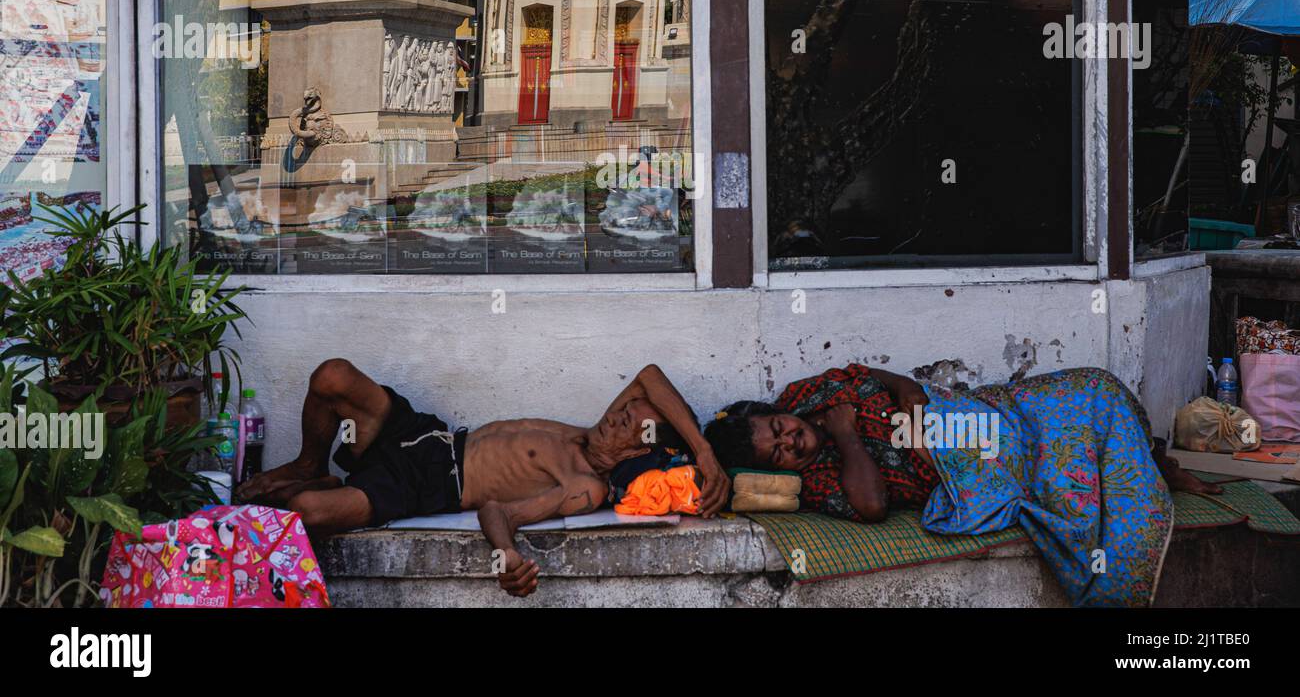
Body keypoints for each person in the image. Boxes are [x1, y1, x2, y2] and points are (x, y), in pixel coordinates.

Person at [704, 362, 1220, 607]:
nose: (789, 441)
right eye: (777, 452)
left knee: (1092, 387)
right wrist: (846, 436)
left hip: (973, 410)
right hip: (972, 462)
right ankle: (1150, 474)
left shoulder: (811, 393)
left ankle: (1153, 465)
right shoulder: (816, 479)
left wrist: (913, 400)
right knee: (1062, 465)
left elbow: (891, 381)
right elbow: (873, 507)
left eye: (778, 429)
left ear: (778, 412)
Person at [236, 358, 729, 598]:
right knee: (332, 376)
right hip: (427, 439)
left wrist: (507, 554)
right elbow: (649, 376)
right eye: (622, 409)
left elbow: (497, 511)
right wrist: (704, 450)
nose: (616, 415)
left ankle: (323, 491)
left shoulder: (586, 485)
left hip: (423, 487)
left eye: (627, 422)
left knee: (307, 512)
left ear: (642, 446)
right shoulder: (588, 432)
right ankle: (311, 465)